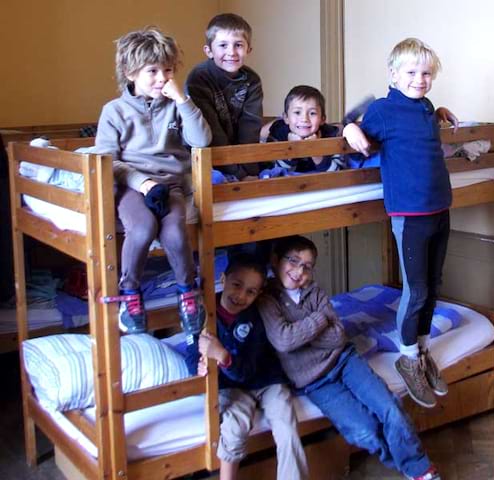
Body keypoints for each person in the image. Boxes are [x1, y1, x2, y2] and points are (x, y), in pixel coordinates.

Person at [258, 235, 441, 480]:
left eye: (307, 266)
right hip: (315, 382)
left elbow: (337, 337)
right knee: (363, 432)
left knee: (390, 409)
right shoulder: (267, 300)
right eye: (293, 261)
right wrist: (319, 321)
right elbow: (284, 341)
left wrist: (301, 334)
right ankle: (401, 461)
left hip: (345, 360)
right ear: (275, 260)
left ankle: (419, 468)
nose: (299, 271)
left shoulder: (315, 293)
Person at [95, 27, 218, 373]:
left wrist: (182, 99)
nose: (162, 78)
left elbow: (201, 142)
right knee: (143, 228)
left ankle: (187, 293)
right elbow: (108, 160)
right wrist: (142, 182)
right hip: (134, 186)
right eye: (153, 71)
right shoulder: (114, 111)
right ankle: (130, 294)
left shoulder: (175, 105)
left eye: (167, 70)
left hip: (172, 186)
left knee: (177, 234)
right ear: (131, 74)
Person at [343, 38, 458, 409]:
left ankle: (422, 351)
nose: (419, 79)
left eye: (426, 73)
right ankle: (407, 357)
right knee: (418, 288)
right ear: (393, 74)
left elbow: (421, 119)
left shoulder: (424, 106)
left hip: (440, 206)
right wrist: (348, 130)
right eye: (411, 73)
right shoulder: (382, 110)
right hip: (409, 213)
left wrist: (438, 111)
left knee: (435, 284)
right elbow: (353, 126)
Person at [198, 254, 309, 480]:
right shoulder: (205, 313)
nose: (241, 296)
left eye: (251, 291)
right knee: (234, 425)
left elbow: (248, 369)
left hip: (266, 380)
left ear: (258, 294)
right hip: (231, 385)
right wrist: (199, 366)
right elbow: (194, 352)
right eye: (237, 285)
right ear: (223, 279)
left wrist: (223, 356)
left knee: (287, 427)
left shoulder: (259, 315)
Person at [186, 13, 263, 180]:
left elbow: (250, 127)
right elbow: (212, 132)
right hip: (206, 153)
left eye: (238, 45)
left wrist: (250, 171)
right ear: (209, 51)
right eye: (223, 45)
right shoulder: (199, 78)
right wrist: (239, 174)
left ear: (248, 49)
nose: (231, 52)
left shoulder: (252, 81)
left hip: (239, 154)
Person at [264, 85, 345, 174]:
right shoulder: (278, 133)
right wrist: (291, 149)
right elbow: (273, 173)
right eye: (297, 112)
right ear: (286, 118)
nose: (304, 119)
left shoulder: (331, 136)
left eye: (312, 113)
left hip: (321, 184)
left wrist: (316, 152)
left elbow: (338, 174)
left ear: (322, 119)